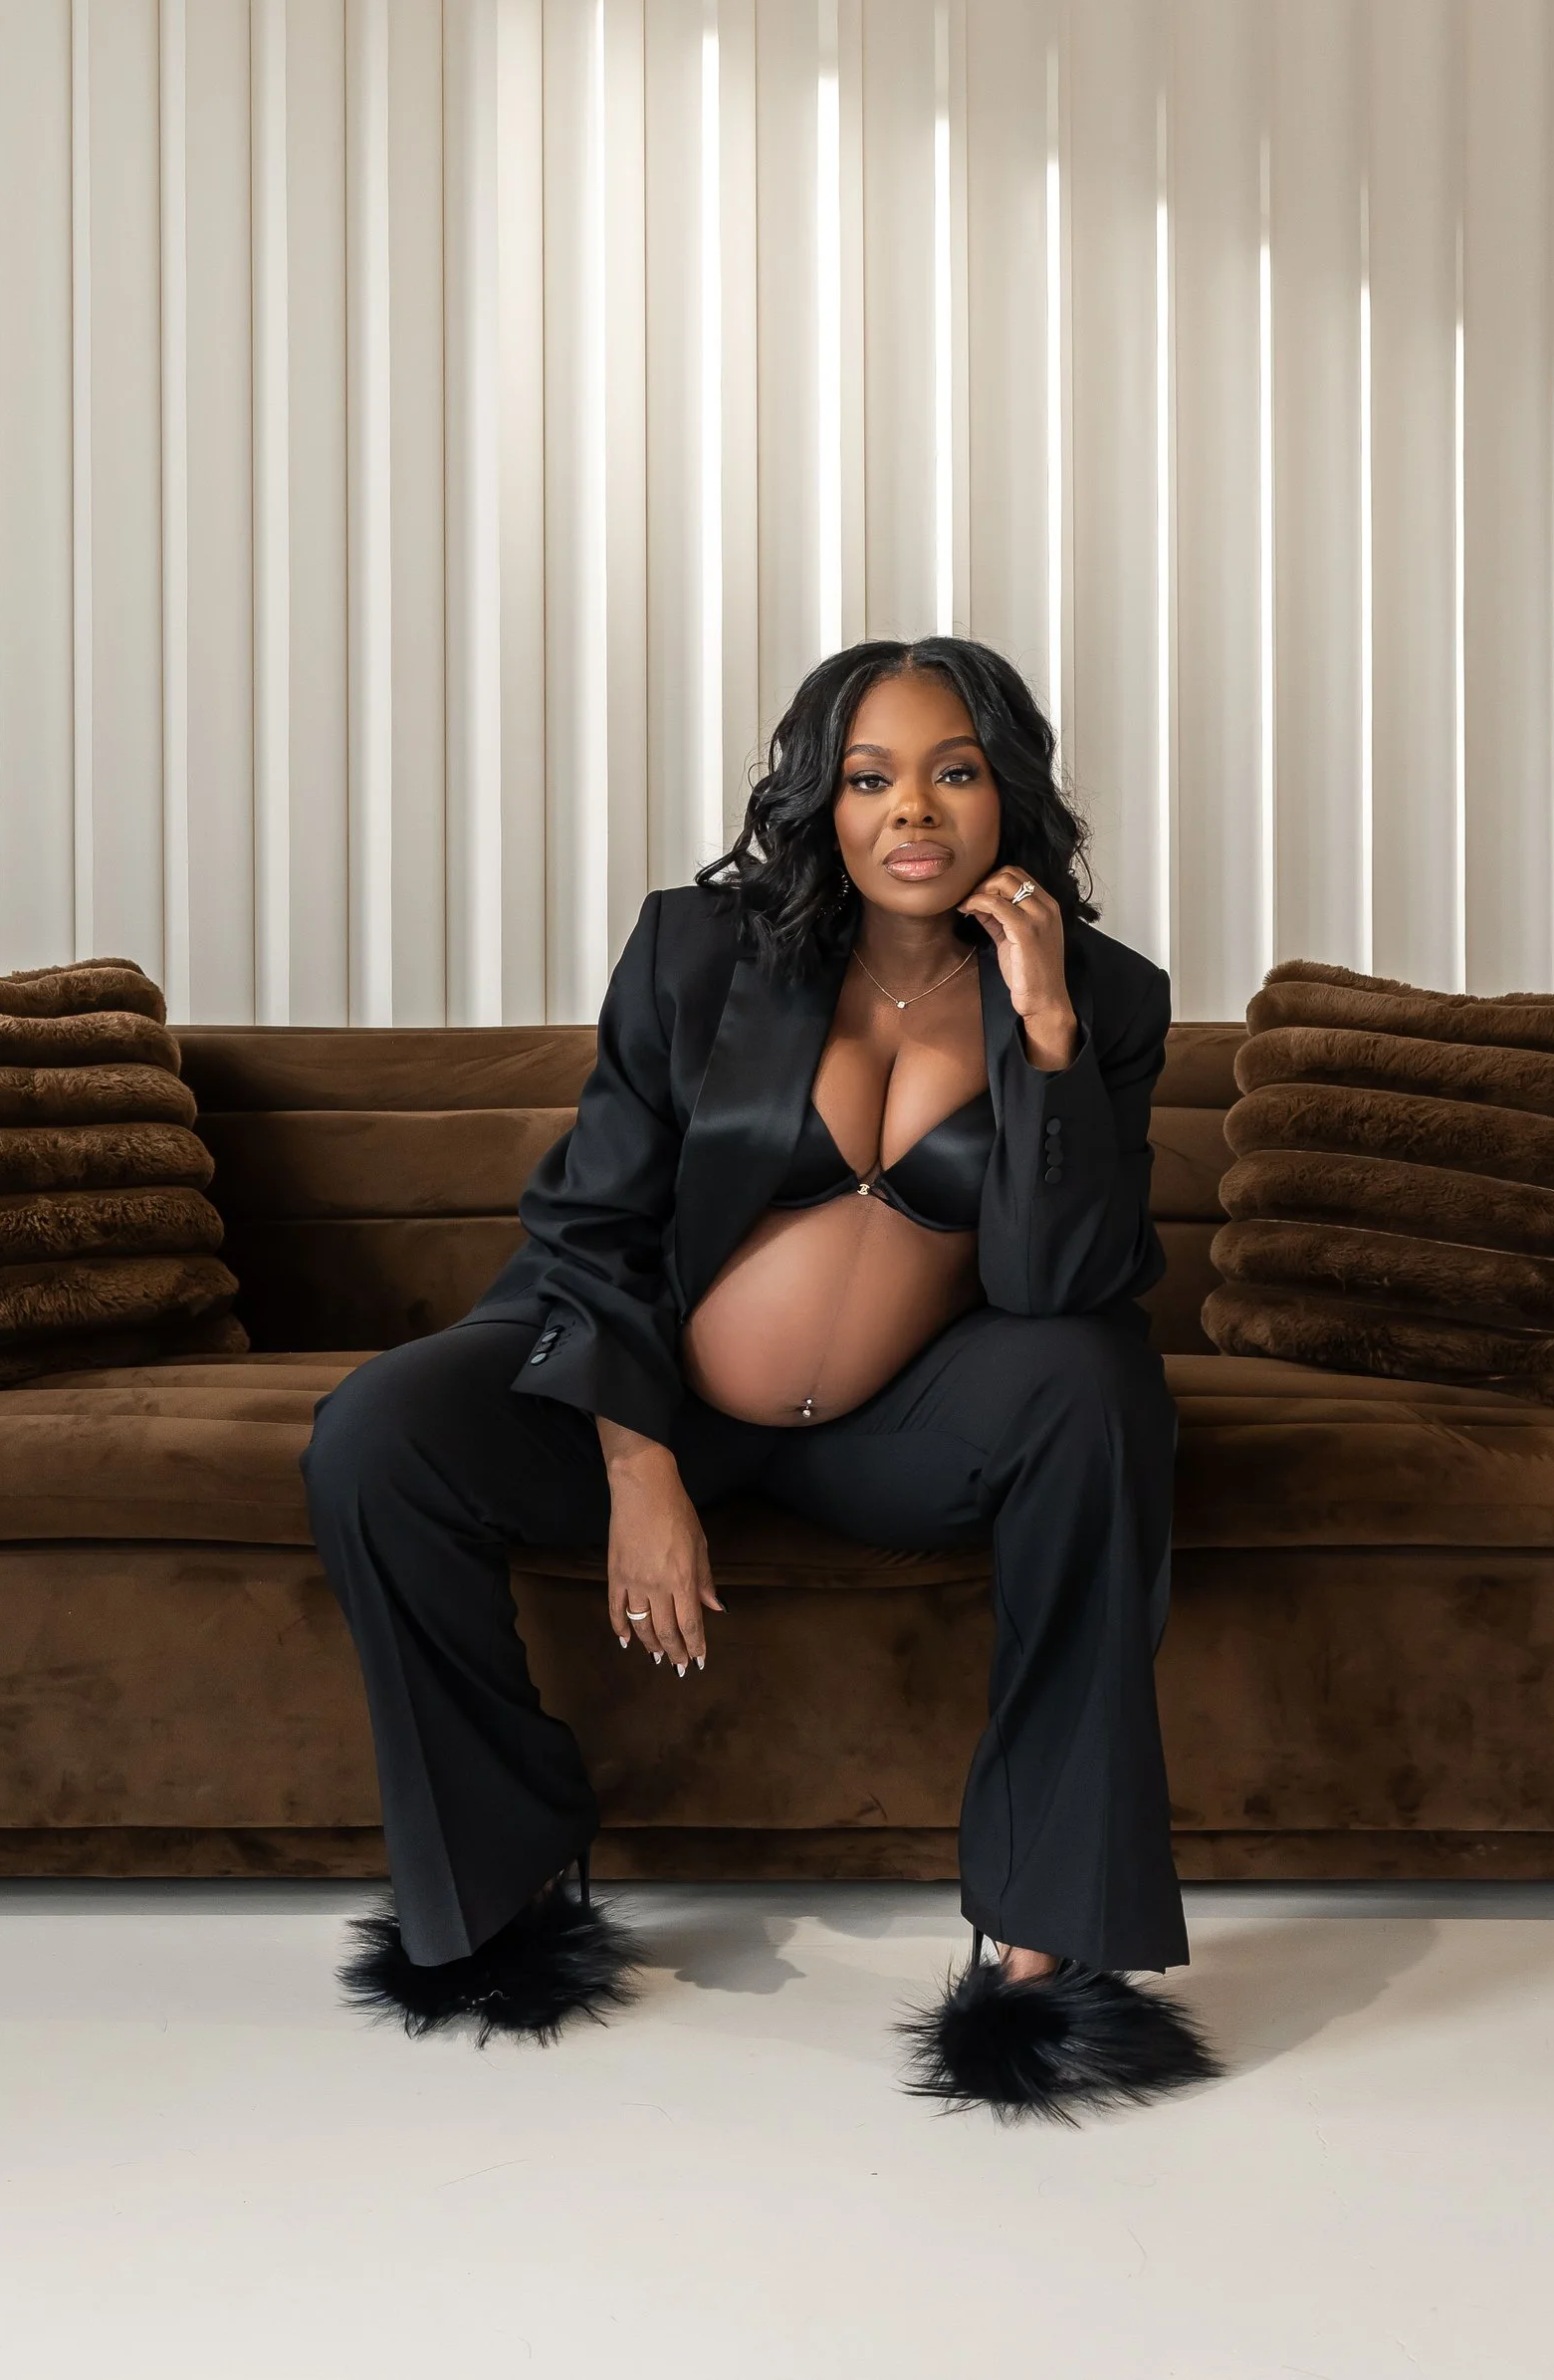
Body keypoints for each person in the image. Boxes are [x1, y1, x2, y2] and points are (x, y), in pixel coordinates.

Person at [301, 634, 1212, 2117]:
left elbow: (1063, 1284)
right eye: (871, 777)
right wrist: (636, 1459)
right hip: (658, 1389)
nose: (911, 809)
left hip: (889, 1430)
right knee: (372, 1435)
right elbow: (589, 1221)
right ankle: (506, 1874)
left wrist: (1044, 1033)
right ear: (823, 801)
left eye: (952, 771)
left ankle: (1047, 1943)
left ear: (1006, 796)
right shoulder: (698, 950)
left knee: (1097, 1383)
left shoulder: (1101, 997)